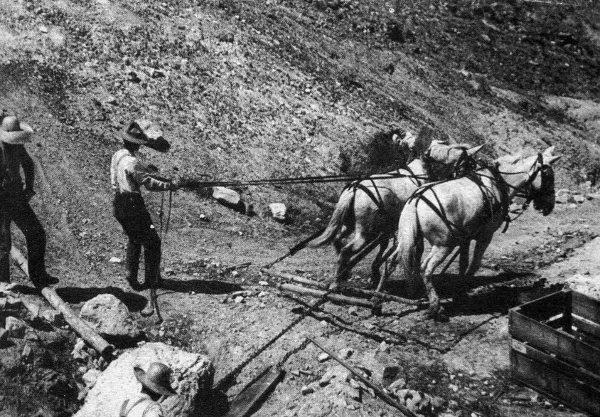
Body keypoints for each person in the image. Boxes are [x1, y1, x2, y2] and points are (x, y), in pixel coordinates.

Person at [111, 120, 178, 316]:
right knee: (153, 242)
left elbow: (131, 175)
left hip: (119, 202)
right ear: (137, 144)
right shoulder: (133, 162)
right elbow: (148, 184)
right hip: (133, 205)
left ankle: (131, 275)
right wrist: (169, 185)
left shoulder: (118, 155)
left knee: (134, 238)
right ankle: (152, 280)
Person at [0, 115, 56, 287]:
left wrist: (29, 187)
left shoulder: (17, 146)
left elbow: (28, 164)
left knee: (36, 234)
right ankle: (3, 282)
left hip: (16, 196)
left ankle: (38, 275)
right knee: (3, 241)